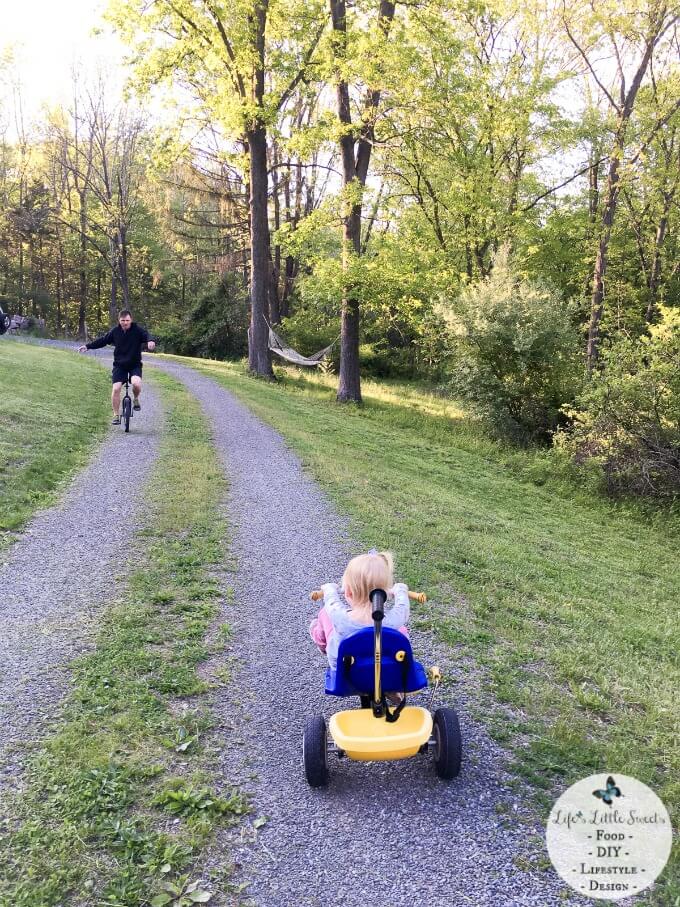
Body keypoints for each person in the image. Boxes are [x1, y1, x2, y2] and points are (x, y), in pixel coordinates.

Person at [309, 550, 410, 672]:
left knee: (325, 614)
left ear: (348, 592)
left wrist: (329, 589)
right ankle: (397, 666)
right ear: (385, 593)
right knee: (401, 630)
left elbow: (331, 602)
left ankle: (322, 643)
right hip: (386, 671)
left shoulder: (340, 617)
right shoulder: (393, 620)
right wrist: (400, 591)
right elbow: (402, 607)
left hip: (344, 672)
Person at [79, 309, 155, 424]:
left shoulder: (137, 330)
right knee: (116, 389)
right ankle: (116, 415)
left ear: (131, 320)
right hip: (119, 365)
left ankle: (135, 399)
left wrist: (150, 341)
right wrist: (88, 346)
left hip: (134, 364)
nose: (125, 323)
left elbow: (147, 335)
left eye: (127, 320)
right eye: (123, 320)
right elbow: (103, 341)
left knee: (136, 384)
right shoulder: (115, 331)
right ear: (119, 321)